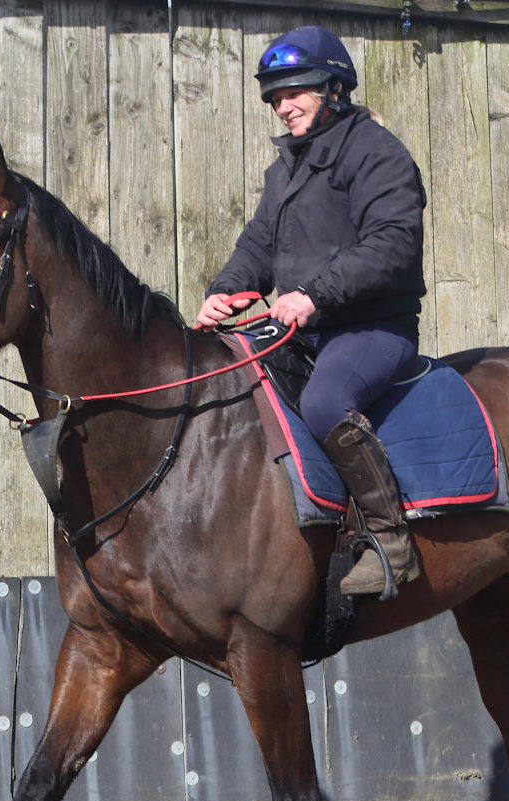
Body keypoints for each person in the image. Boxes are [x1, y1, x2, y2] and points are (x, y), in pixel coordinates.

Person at [196, 26, 428, 599]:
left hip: (372, 329)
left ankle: (390, 540)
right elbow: (258, 245)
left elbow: (393, 244)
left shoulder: (376, 152)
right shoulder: (285, 170)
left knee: (325, 401)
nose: (282, 106)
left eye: (293, 92)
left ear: (334, 88)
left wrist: (313, 294)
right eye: (274, 97)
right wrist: (226, 289)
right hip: (305, 328)